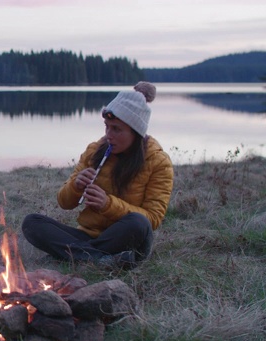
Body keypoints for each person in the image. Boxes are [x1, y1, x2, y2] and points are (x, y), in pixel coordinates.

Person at [21, 82, 173, 269]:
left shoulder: (159, 163)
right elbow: (64, 203)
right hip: (89, 235)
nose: (109, 135)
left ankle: (73, 254)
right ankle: (99, 259)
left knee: (139, 223)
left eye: (117, 129)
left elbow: (153, 219)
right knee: (32, 222)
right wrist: (75, 186)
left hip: (126, 236)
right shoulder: (94, 151)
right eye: (107, 126)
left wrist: (108, 205)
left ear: (137, 133)